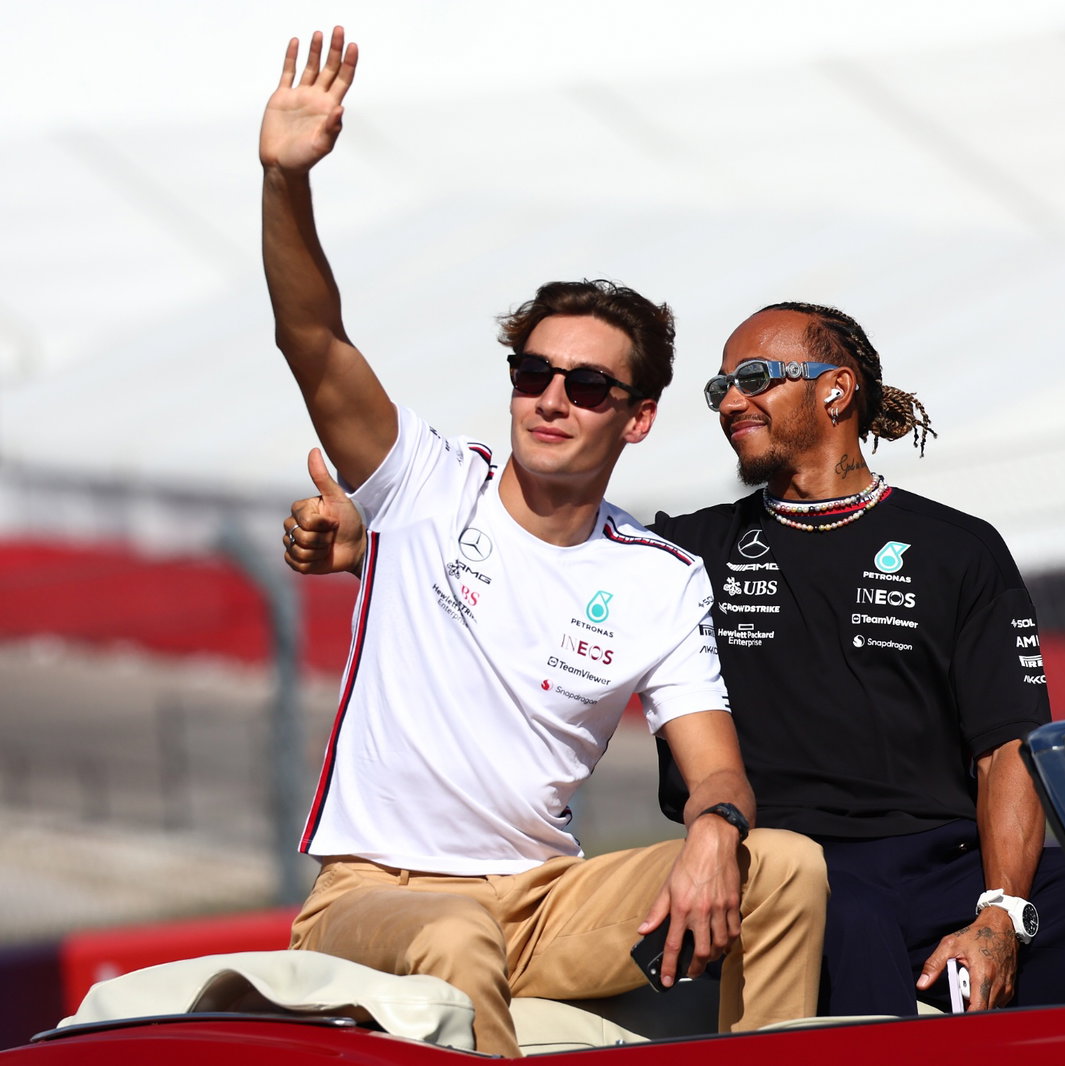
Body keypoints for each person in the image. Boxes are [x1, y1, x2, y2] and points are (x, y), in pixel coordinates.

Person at [286, 299, 1065, 1016]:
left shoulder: (958, 548)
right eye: (720, 387)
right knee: (836, 914)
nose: (732, 400)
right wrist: (376, 548)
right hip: (806, 864)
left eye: (756, 380)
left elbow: (1011, 747)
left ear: (838, 391)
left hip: (945, 863)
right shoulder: (687, 554)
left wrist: (1000, 911)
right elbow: (535, 573)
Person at [260, 29, 825, 1057]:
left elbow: (718, 772)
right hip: (374, 896)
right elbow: (313, 339)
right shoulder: (426, 483)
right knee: (452, 929)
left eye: (589, 384)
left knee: (785, 865)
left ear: (638, 417)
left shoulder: (659, 580)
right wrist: (283, 181)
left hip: (543, 896)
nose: (552, 399)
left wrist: (715, 830)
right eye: (533, 373)